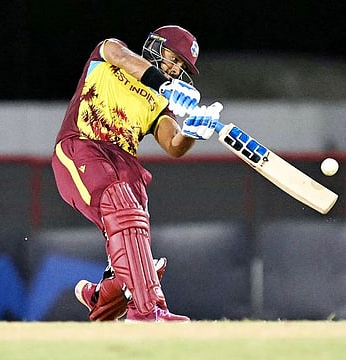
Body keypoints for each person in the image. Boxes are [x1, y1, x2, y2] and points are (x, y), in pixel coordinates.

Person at [51, 25, 222, 322]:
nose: (175, 67)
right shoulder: (110, 52)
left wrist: (194, 130)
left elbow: (174, 145)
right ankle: (145, 312)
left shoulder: (160, 103)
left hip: (122, 164)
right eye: (173, 57)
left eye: (182, 66)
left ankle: (105, 294)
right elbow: (119, 55)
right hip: (81, 146)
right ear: (155, 47)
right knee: (123, 207)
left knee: (135, 217)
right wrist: (162, 83)